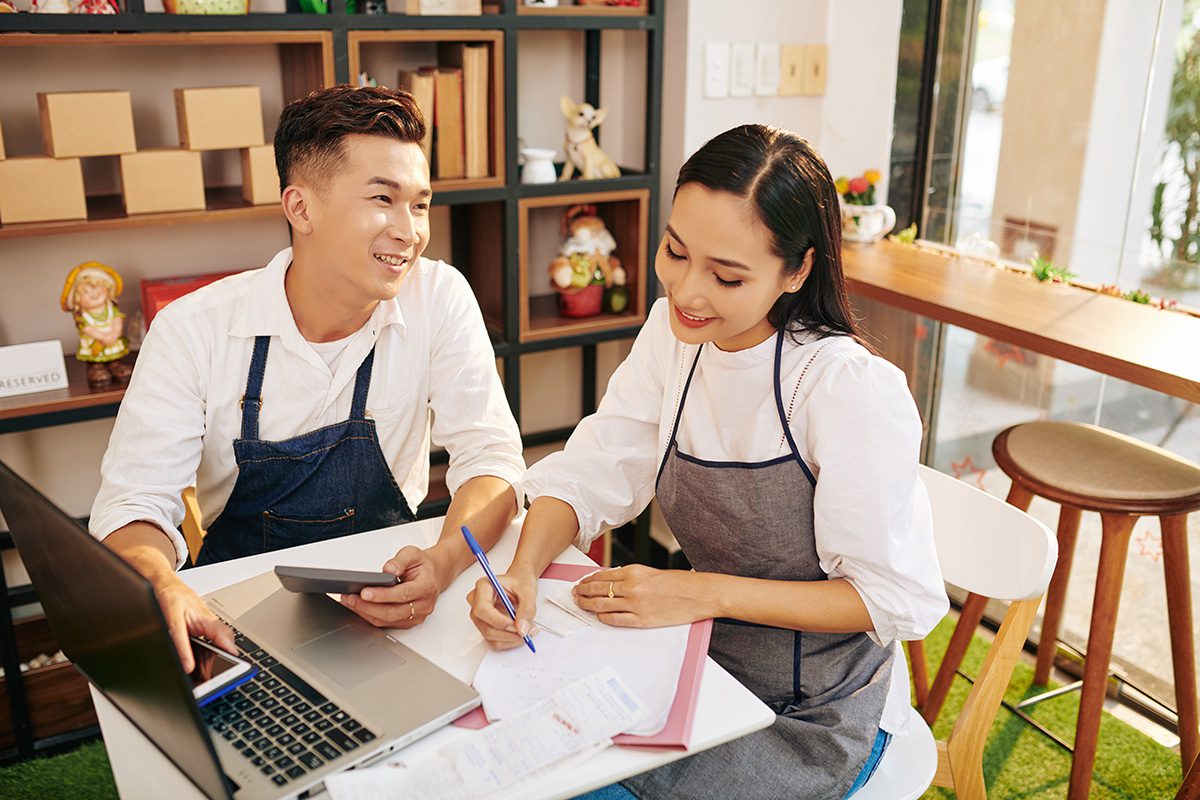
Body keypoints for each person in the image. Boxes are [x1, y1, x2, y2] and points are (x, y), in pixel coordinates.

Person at [468, 124, 948, 799]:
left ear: (798, 270)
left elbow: (893, 598)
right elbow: (593, 471)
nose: (687, 291)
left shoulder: (843, 389)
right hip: (697, 660)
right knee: (511, 755)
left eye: (726, 275)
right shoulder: (676, 339)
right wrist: (520, 567)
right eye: (674, 251)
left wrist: (700, 592)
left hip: (810, 716)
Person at [91, 85, 525, 671]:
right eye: (382, 199)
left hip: (390, 596)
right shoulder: (192, 330)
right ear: (301, 208)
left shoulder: (439, 297)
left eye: (419, 205)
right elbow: (133, 505)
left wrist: (445, 559)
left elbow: (493, 459)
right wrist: (159, 582)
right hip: (239, 614)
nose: (409, 231)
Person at [60, 261, 134, 386]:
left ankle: (115, 365)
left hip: (112, 341)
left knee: (115, 358)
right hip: (96, 346)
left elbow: (117, 320)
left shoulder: (111, 309)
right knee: (96, 362)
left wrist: (114, 335)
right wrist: (104, 337)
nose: (94, 294)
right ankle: (96, 368)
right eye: (86, 292)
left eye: (97, 288)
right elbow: (88, 329)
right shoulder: (83, 316)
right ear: (77, 299)